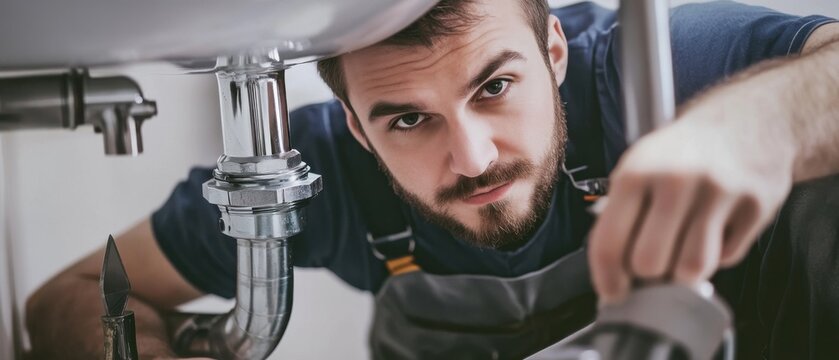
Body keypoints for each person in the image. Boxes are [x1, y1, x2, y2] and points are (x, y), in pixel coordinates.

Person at [26, 0, 839, 359]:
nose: (475, 158)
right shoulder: (319, 177)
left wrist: (754, 126)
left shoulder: (650, 69)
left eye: (494, 86)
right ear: (353, 126)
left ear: (553, 51)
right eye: (407, 120)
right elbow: (63, 298)